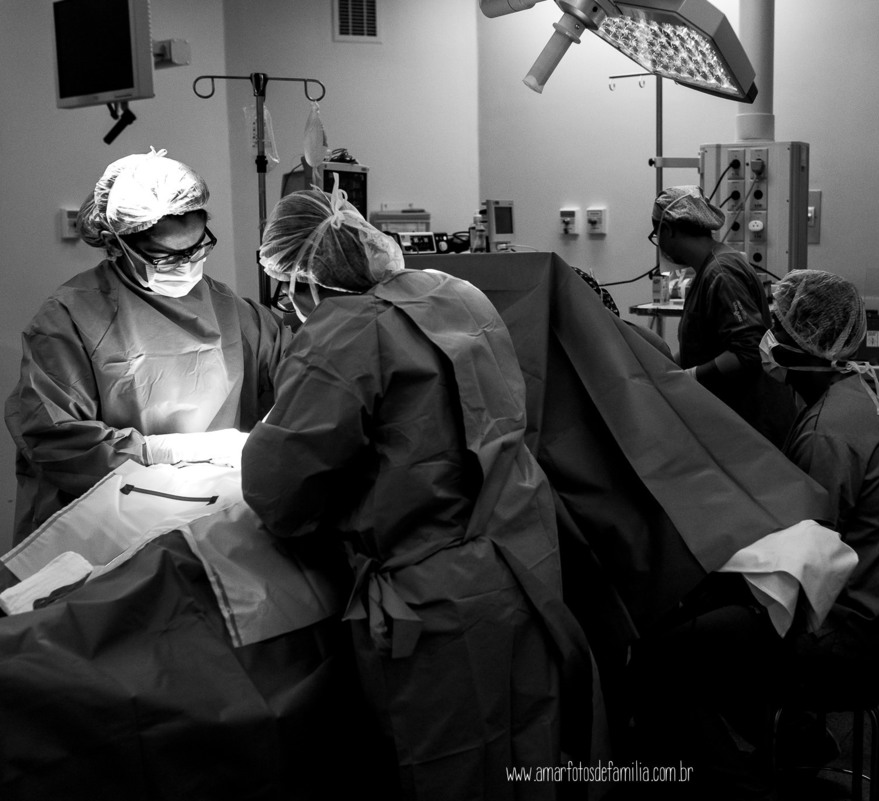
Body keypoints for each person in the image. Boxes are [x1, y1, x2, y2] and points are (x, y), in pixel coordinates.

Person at [241, 182, 589, 799]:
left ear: (304, 277)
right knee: (526, 745)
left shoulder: (344, 332)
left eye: (286, 286)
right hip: (521, 554)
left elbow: (280, 491)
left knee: (451, 767)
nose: (289, 304)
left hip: (435, 595)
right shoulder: (454, 293)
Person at [5, 148, 289, 541]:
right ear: (117, 245)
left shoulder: (234, 312)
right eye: (166, 257)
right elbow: (55, 440)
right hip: (102, 522)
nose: (187, 265)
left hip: (207, 515)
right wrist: (161, 452)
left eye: (197, 248)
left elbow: (299, 381)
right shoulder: (68, 318)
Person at [760, 270, 879, 774]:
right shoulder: (852, 393)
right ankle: (798, 737)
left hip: (844, 640)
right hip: (873, 621)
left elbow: (802, 559)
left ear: (805, 342)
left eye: (776, 326)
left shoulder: (827, 433)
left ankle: (748, 778)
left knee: (680, 652)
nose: (767, 338)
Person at [650, 185, 795, 446]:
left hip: (751, 425)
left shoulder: (721, 273)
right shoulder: (709, 269)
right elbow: (703, 344)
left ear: (668, 230)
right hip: (735, 420)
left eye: (656, 234)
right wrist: (666, 369)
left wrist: (689, 377)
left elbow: (747, 351)